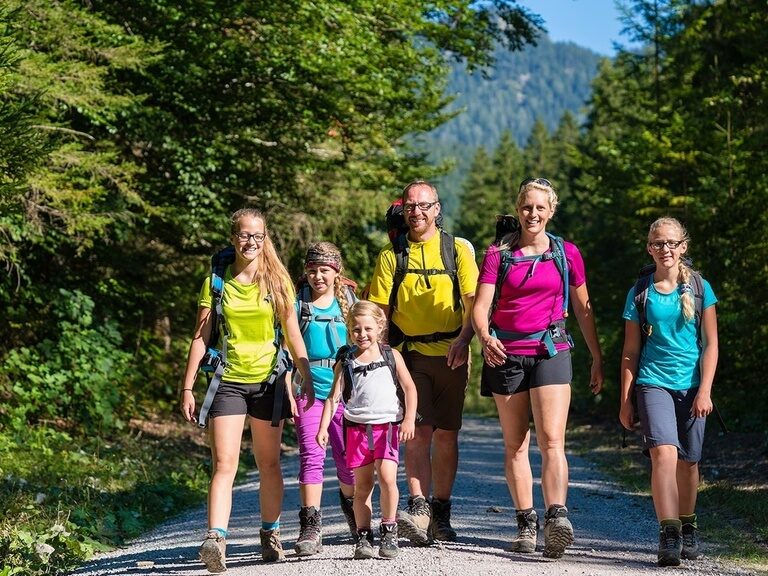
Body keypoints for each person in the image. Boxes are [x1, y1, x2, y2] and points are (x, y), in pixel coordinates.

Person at [471, 177, 603, 559]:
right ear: (518, 208)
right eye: (527, 207)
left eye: (540, 208)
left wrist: (596, 355)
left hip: (551, 348)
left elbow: (583, 307)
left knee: (552, 440)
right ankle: (525, 521)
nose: (532, 214)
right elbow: (481, 306)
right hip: (505, 352)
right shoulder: (499, 253)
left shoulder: (567, 252)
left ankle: (556, 516)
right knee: (516, 444)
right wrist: (484, 336)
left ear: (551, 211)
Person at [180, 207, 312, 572]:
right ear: (232, 237)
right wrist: (188, 386)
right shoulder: (216, 282)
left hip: (269, 382)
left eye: (258, 235)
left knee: (268, 463)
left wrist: (305, 377)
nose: (251, 241)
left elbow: (293, 335)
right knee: (224, 464)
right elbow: (201, 336)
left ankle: (270, 533)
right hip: (228, 382)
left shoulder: (277, 281)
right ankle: (215, 539)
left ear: (265, 238)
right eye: (244, 235)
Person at [367, 180, 479, 544]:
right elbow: (381, 313)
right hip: (409, 355)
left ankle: (441, 512)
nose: (416, 212)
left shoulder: (457, 250)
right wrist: (381, 360)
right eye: (410, 207)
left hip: (452, 352)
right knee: (417, 432)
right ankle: (418, 507)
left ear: (437, 209)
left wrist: (465, 340)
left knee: (447, 435)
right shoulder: (391, 256)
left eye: (423, 205)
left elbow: (473, 301)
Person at [619, 217, 718, 567]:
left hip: (692, 387)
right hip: (653, 383)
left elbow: (711, 345)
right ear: (649, 248)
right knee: (664, 454)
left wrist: (705, 390)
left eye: (672, 243)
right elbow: (631, 352)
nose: (666, 249)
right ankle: (669, 533)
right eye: (659, 244)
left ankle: (688, 526)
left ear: (683, 247)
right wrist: (625, 400)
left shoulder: (701, 288)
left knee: (689, 463)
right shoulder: (640, 292)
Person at [316, 301, 417, 559]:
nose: (362, 334)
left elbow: (410, 388)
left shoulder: (391, 356)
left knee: (387, 479)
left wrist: (408, 420)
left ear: (380, 328)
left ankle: (389, 529)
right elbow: (332, 398)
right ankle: (363, 536)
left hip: (387, 427)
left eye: (368, 329)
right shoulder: (346, 361)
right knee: (362, 486)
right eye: (357, 329)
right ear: (350, 331)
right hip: (357, 429)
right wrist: (324, 427)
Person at [292, 241, 357, 556]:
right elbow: (285, 349)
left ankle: (354, 512)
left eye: (325, 270)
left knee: (348, 459)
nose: (319, 276)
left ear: (336, 272)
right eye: (313, 270)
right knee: (311, 455)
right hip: (309, 393)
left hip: (345, 393)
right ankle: (310, 526)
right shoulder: (298, 306)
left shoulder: (350, 304)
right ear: (305, 273)